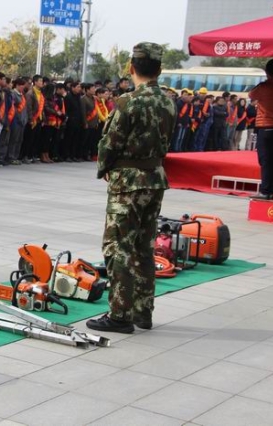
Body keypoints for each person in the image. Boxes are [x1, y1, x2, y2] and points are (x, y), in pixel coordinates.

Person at [86, 42, 176, 334]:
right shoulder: (169, 101)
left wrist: (104, 168)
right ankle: (142, 311)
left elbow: (110, 142)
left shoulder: (128, 101)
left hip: (128, 182)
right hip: (155, 179)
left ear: (131, 68)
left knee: (118, 247)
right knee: (144, 248)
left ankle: (120, 315)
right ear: (159, 70)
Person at [249, 59, 273, 200]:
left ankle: (266, 191)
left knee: (266, 160)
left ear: (267, 72)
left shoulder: (263, 87)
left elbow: (251, 95)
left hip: (266, 127)